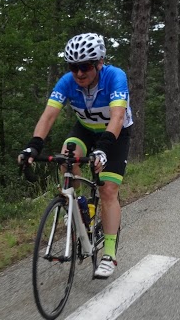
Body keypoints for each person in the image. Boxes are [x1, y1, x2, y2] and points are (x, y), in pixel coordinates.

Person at [19, 32, 133, 279]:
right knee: (66, 158)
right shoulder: (67, 82)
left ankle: (110, 253)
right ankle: (81, 206)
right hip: (85, 130)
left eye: (85, 66)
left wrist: (103, 148)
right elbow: (49, 115)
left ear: (99, 62)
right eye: (74, 67)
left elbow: (117, 118)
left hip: (114, 134)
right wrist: (33, 146)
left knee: (108, 191)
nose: (79, 73)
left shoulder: (115, 77)